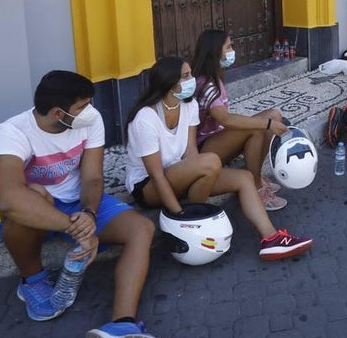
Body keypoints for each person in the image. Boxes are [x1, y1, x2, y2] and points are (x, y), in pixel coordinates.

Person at [0, 70, 161, 338]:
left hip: (76, 203)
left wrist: (90, 214)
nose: (90, 111)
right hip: (28, 212)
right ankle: (32, 281)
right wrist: (76, 229)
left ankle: (121, 324)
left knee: (141, 228)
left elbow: (92, 176)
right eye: (82, 106)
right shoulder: (11, 132)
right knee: (33, 195)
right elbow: (10, 200)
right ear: (58, 113)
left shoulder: (90, 122)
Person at [125, 56, 313, 259]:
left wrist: (199, 176)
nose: (191, 80)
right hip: (149, 186)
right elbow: (157, 176)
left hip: (177, 174)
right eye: (186, 76)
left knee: (244, 178)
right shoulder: (145, 118)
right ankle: (189, 219)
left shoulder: (188, 106)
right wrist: (179, 217)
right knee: (211, 161)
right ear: (169, 83)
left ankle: (271, 239)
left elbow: (190, 152)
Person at [190, 29, 290, 211]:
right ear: (215, 51)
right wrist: (267, 124)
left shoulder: (215, 77)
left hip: (217, 139)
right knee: (257, 128)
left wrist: (270, 122)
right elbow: (225, 119)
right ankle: (256, 189)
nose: (232, 50)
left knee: (274, 115)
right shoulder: (206, 84)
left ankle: (256, 177)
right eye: (228, 47)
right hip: (203, 150)